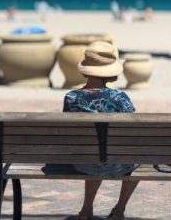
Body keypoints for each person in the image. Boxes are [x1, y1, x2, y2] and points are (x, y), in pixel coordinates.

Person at [63, 41, 139, 220]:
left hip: (82, 163)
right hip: (117, 164)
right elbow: (133, 131)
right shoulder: (120, 98)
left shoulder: (71, 98)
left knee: (94, 151)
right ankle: (119, 210)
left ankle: (86, 210)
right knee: (140, 157)